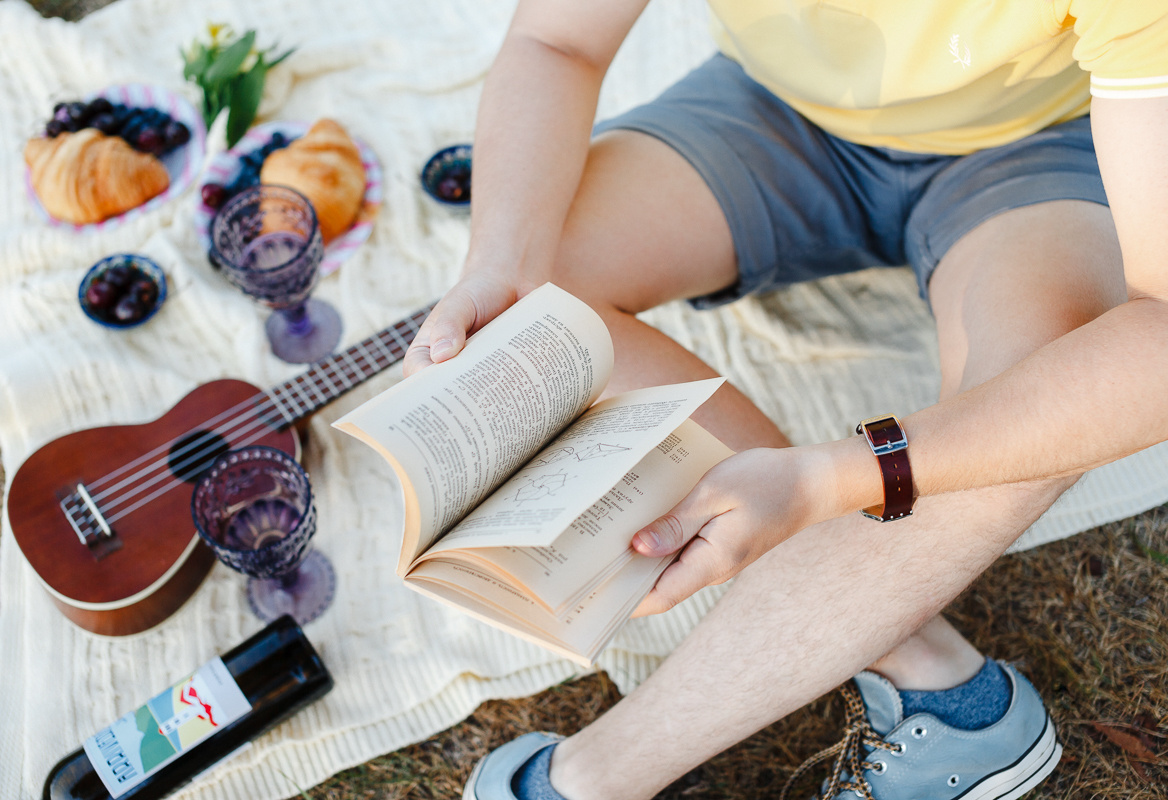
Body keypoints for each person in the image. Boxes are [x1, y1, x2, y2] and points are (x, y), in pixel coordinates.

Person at [401, 1, 1168, 798]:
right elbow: (555, 38)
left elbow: (1159, 336)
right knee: (535, 308)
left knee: (1048, 396)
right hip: (779, 113)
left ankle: (594, 776)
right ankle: (934, 672)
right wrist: (499, 265)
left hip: (1031, 146)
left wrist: (825, 480)